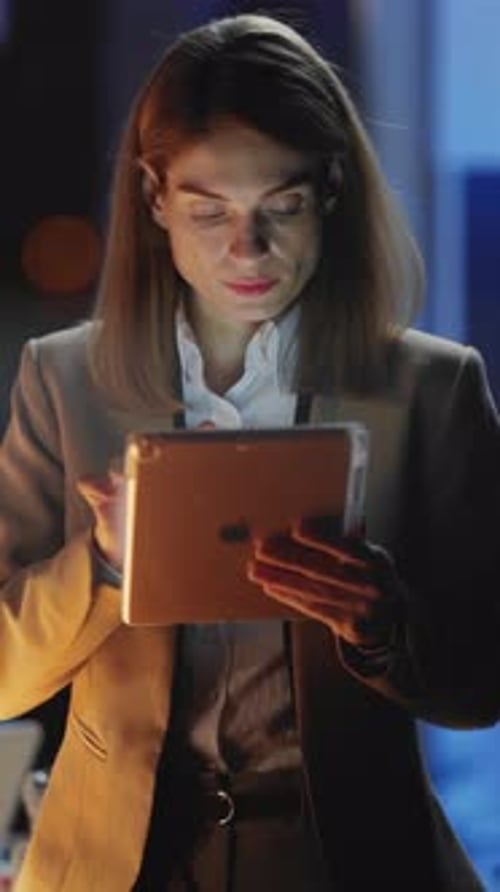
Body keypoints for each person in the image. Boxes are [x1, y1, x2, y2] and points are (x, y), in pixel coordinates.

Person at [1, 13, 499, 892]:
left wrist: (385, 628)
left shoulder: (433, 388)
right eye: (209, 211)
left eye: (283, 207)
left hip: (345, 860)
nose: (248, 250)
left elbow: (483, 685)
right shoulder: (64, 379)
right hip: (114, 864)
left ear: (333, 190)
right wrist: (107, 564)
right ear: (155, 199)